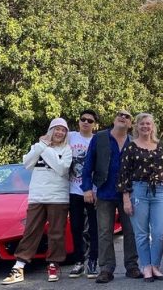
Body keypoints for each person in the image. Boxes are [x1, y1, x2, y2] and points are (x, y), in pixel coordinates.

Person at [1, 118, 73, 285]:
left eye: (63, 130)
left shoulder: (67, 149)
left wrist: (44, 148)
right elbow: (27, 163)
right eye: (57, 129)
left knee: (56, 233)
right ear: (50, 130)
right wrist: (41, 146)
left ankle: (53, 264)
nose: (60, 133)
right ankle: (19, 266)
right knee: (31, 231)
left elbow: (62, 169)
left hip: (58, 197)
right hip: (37, 196)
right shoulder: (38, 146)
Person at [80, 109, 142, 284]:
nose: (122, 117)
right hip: (105, 192)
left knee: (131, 231)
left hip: (128, 194)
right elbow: (88, 165)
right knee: (104, 232)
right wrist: (87, 188)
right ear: (114, 119)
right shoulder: (99, 138)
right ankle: (106, 269)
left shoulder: (134, 142)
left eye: (127, 116)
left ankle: (132, 266)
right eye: (119, 115)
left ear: (130, 124)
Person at [118, 113, 163, 283]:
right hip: (138, 190)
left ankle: (156, 265)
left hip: (159, 192)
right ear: (137, 126)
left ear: (152, 126)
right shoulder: (131, 147)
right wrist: (126, 199)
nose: (145, 126)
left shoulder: (159, 145)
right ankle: (146, 267)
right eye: (142, 124)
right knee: (141, 234)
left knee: (160, 231)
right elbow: (123, 174)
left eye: (148, 123)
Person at [68, 110, 99, 278]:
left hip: (93, 191)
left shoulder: (97, 139)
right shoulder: (70, 136)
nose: (86, 122)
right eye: (83, 119)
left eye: (90, 120)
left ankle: (93, 260)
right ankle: (78, 261)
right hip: (73, 190)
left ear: (94, 124)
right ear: (79, 121)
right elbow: (52, 136)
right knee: (76, 227)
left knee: (94, 228)